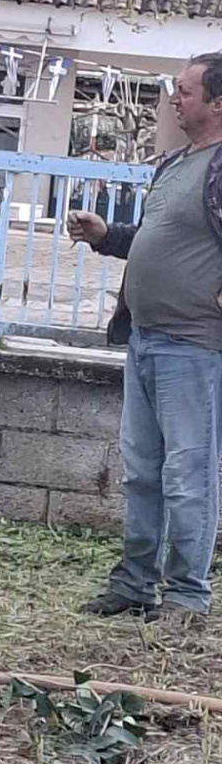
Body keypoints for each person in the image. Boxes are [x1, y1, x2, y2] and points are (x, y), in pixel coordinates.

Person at [70, 52, 222, 619]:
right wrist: (106, 236)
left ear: (218, 103)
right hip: (146, 338)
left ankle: (186, 595)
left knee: (188, 474)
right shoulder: (177, 163)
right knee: (141, 471)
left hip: (195, 346)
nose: (174, 99)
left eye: (185, 91)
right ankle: (135, 584)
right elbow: (158, 240)